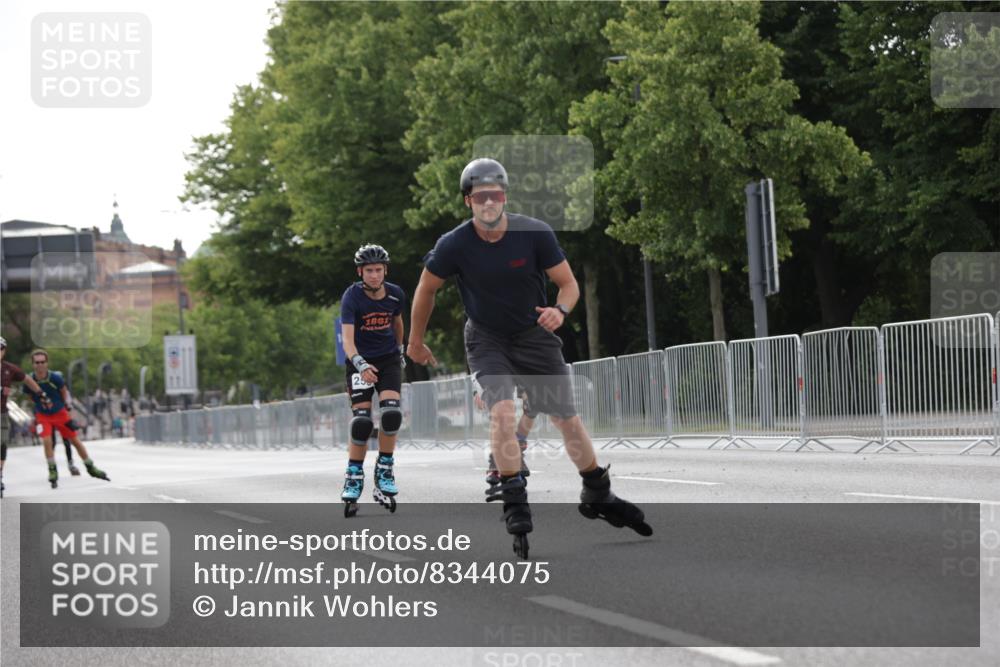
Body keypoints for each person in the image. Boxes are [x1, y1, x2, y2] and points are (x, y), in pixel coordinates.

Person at [407, 157, 651, 558]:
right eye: (480, 197)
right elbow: (426, 289)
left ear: (505, 197)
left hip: (534, 334)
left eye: (495, 195)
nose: (489, 203)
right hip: (486, 338)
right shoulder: (454, 244)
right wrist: (415, 341)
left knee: (565, 418)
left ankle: (597, 490)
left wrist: (561, 310)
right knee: (503, 410)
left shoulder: (534, 233)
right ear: (468, 201)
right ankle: (514, 499)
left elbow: (568, 284)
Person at [339, 244, 407, 516]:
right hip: (359, 361)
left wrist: (400, 350)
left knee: (391, 415)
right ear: (360, 272)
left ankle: (385, 470)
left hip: (388, 360)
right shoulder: (351, 297)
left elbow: (398, 323)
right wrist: (361, 364)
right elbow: (347, 341)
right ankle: (354, 476)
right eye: (369, 271)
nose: (374, 275)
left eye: (379, 270)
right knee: (362, 422)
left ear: (385, 270)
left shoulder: (396, 294)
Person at [26, 350, 110, 488]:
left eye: (42, 362)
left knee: (74, 440)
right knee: (47, 440)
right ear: (33, 364)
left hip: (60, 413)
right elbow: (30, 396)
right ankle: (52, 470)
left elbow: (64, 392)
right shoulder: (29, 380)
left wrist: (64, 408)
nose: (40, 365)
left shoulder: (55, 378)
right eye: (37, 362)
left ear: (47, 363)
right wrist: (40, 404)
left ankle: (90, 467)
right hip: (43, 415)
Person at [1, 336, 49, 497]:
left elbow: (27, 379)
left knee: (2, 444)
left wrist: (41, 393)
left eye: (1, 348)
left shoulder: (9, 369)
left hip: (1, 413)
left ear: (4, 351)